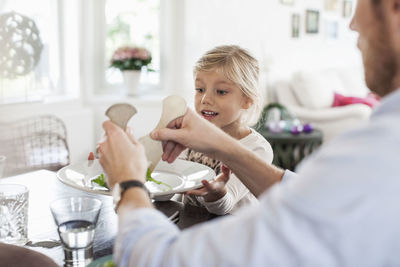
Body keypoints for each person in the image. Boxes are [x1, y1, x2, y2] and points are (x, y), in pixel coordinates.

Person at [97, 0, 400, 266]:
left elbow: (158, 259)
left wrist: (127, 183)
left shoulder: (373, 155)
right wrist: (218, 145)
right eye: (200, 89)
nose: (352, 23)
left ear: (394, 6)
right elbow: (309, 198)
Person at [181, 45, 273, 215]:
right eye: (200, 89)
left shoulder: (257, 149)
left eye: (221, 92)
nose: (205, 99)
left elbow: (225, 206)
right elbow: (176, 186)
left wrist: (216, 194)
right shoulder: (191, 137)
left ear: (247, 100)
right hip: (193, 229)